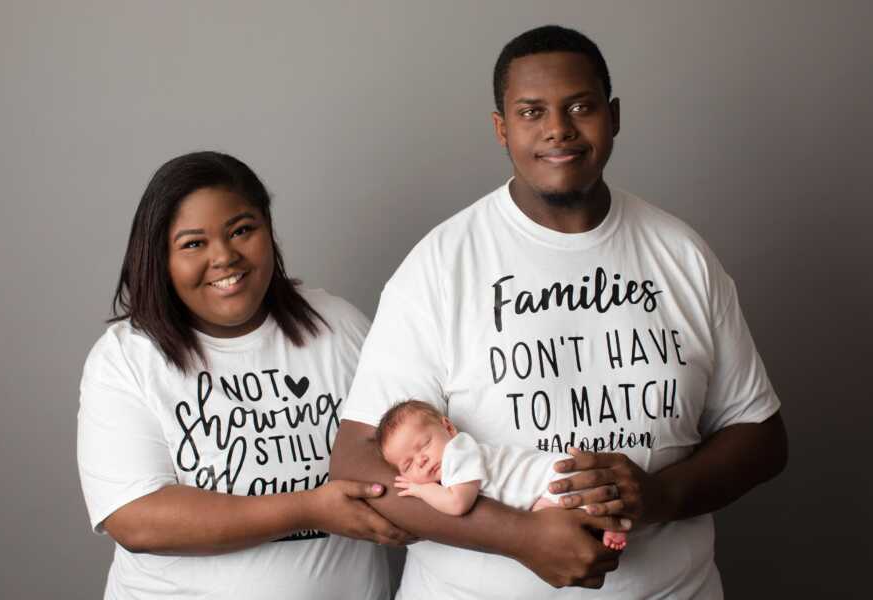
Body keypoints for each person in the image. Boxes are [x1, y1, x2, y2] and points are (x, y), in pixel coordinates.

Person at [330, 24, 787, 598]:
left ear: (614, 116)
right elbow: (356, 461)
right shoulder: (440, 267)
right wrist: (519, 535)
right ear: (501, 128)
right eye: (530, 112)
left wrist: (660, 496)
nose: (558, 129)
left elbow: (761, 435)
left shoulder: (681, 253)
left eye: (580, 106)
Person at [77, 151, 410, 600]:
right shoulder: (126, 359)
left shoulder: (340, 327)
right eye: (194, 243)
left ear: (268, 231)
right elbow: (136, 518)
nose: (225, 257)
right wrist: (308, 509)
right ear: (160, 258)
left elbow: (412, 445)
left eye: (242, 230)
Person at [378, 400, 627, 550]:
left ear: (448, 428)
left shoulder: (458, 451)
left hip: (546, 477)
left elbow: (458, 504)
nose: (421, 460)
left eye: (424, 444)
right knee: (558, 518)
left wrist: (422, 490)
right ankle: (606, 522)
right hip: (536, 493)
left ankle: (614, 520)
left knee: (577, 501)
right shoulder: (450, 463)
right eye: (408, 465)